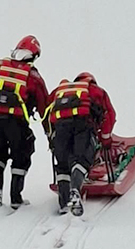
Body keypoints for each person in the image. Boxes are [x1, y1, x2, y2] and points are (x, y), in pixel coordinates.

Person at [0, 35, 49, 209]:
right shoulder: (33, 76)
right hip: (16, 123)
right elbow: (44, 105)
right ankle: (15, 197)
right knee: (22, 153)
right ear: (34, 55)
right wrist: (49, 131)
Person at [44, 72, 116, 216]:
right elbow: (110, 114)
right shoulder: (96, 90)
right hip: (83, 125)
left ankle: (64, 204)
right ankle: (75, 190)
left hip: (60, 128)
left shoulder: (60, 91)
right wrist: (105, 138)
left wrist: (51, 137)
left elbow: (45, 113)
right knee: (82, 159)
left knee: (63, 164)